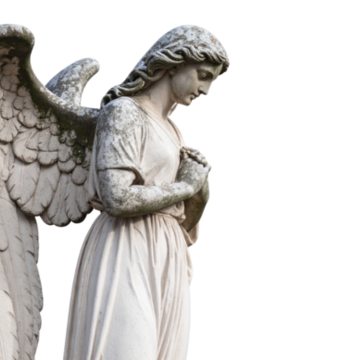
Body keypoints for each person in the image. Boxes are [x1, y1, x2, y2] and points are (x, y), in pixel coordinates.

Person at [62, 24, 230, 360]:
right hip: (127, 246)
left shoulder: (174, 130)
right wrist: (183, 185)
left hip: (168, 253)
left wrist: (199, 196)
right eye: (203, 75)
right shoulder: (123, 112)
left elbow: (184, 224)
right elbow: (117, 197)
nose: (207, 90)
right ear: (172, 64)